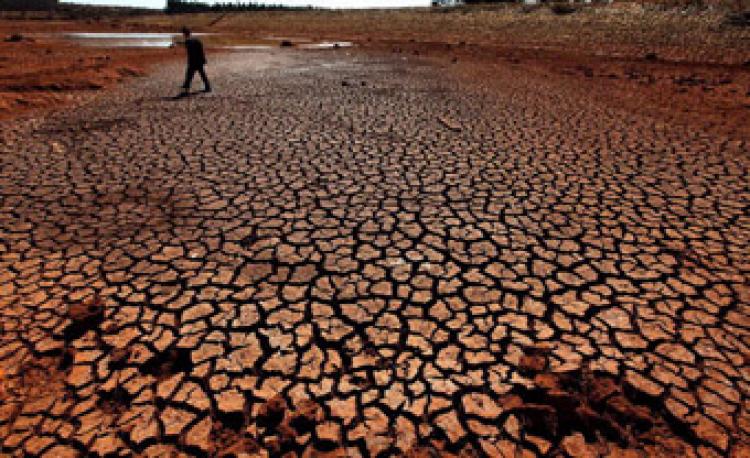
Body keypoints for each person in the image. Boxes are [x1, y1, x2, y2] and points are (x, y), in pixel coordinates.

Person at [181, 27, 211, 94]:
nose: (183, 35)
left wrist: (177, 44)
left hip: (194, 61)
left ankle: (186, 87)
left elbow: (187, 45)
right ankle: (208, 87)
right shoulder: (196, 40)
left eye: (183, 34)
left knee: (189, 74)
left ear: (185, 34)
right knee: (201, 74)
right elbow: (201, 50)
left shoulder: (190, 41)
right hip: (199, 60)